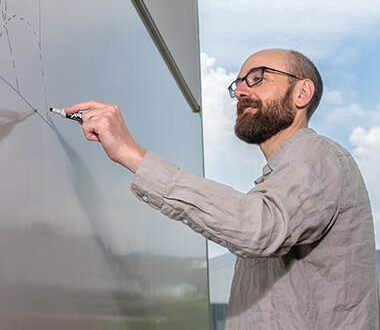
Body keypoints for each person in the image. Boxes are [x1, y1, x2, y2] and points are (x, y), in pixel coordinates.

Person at [66, 49, 379, 329]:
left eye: (257, 77)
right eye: (238, 83)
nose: (240, 91)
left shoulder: (318, 154)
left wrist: (131, 153)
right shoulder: (279, 183)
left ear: (302, 92)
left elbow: (257, 227)